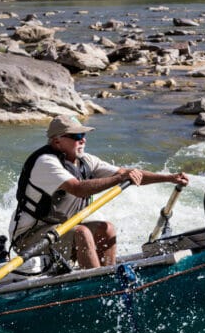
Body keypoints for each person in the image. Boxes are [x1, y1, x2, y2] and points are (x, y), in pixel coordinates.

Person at [10, 115, 189, 271]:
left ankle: (108, 277)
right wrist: (118, 179)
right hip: (29, 241)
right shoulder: (46, 162)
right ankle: (96, 285)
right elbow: (78, 189)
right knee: (82, 232)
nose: (83, 140)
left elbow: (126, 173)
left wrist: (168, 178)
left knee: (107, 229)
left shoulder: (86, 161)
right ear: (57, 141)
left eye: (84, 135)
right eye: (77, 136)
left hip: (61, 231)